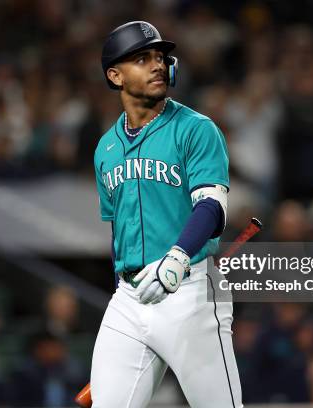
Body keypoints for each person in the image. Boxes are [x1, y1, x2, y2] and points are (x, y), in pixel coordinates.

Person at [90, 21, 241, 407]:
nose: (157, 65)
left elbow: (211, 207)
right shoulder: (105, 148)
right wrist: (125, 282)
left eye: (160, 57)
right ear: (115, 75)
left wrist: (177, 256)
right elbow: (117, 230)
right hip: (129, 297)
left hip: (189, 291)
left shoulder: (196, 129)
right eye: (142, 59)